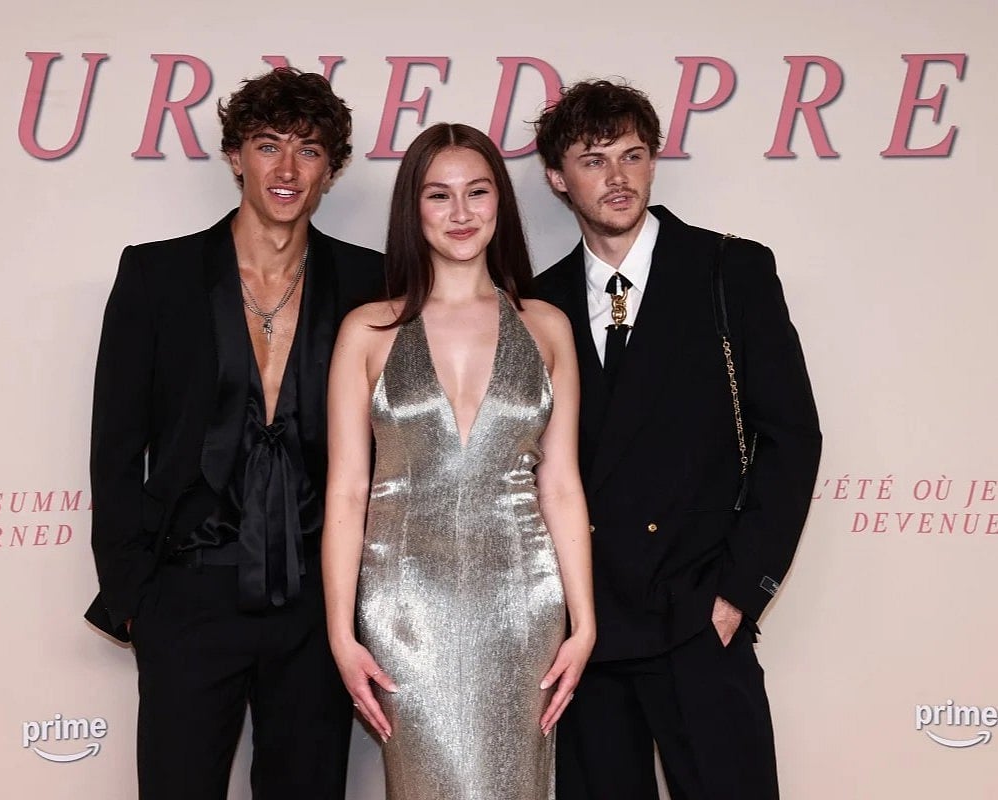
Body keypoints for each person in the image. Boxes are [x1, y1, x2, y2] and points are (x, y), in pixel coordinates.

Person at [84, 67, 383, 800]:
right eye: (267, 145)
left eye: (308, 150)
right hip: (187, 594)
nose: (285, 169)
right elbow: (115, 447)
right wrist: (134, 599)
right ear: (234, 156)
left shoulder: (370, 282)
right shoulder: (157, 276)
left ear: (331, 169)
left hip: (319, 600)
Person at [532, 80, 822, 800]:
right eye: (593, 160)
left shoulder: (730, 270)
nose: (618, 177)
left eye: (633, 155)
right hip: (586, 629)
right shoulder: (534, 302)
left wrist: (736, 595)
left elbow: (789, 437)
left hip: (697, 616)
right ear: (556, 179)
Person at [322, 122, 596, 800]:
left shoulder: (547, 327)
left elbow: (560, 485)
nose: (461, 213)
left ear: (499, 203)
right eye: (439, 196)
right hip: (402, 610)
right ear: (413, 210)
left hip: (523, 607)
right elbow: (346, 493)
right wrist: (340, 632)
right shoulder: (367, 329)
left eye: (477, 193)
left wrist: (583, 622)